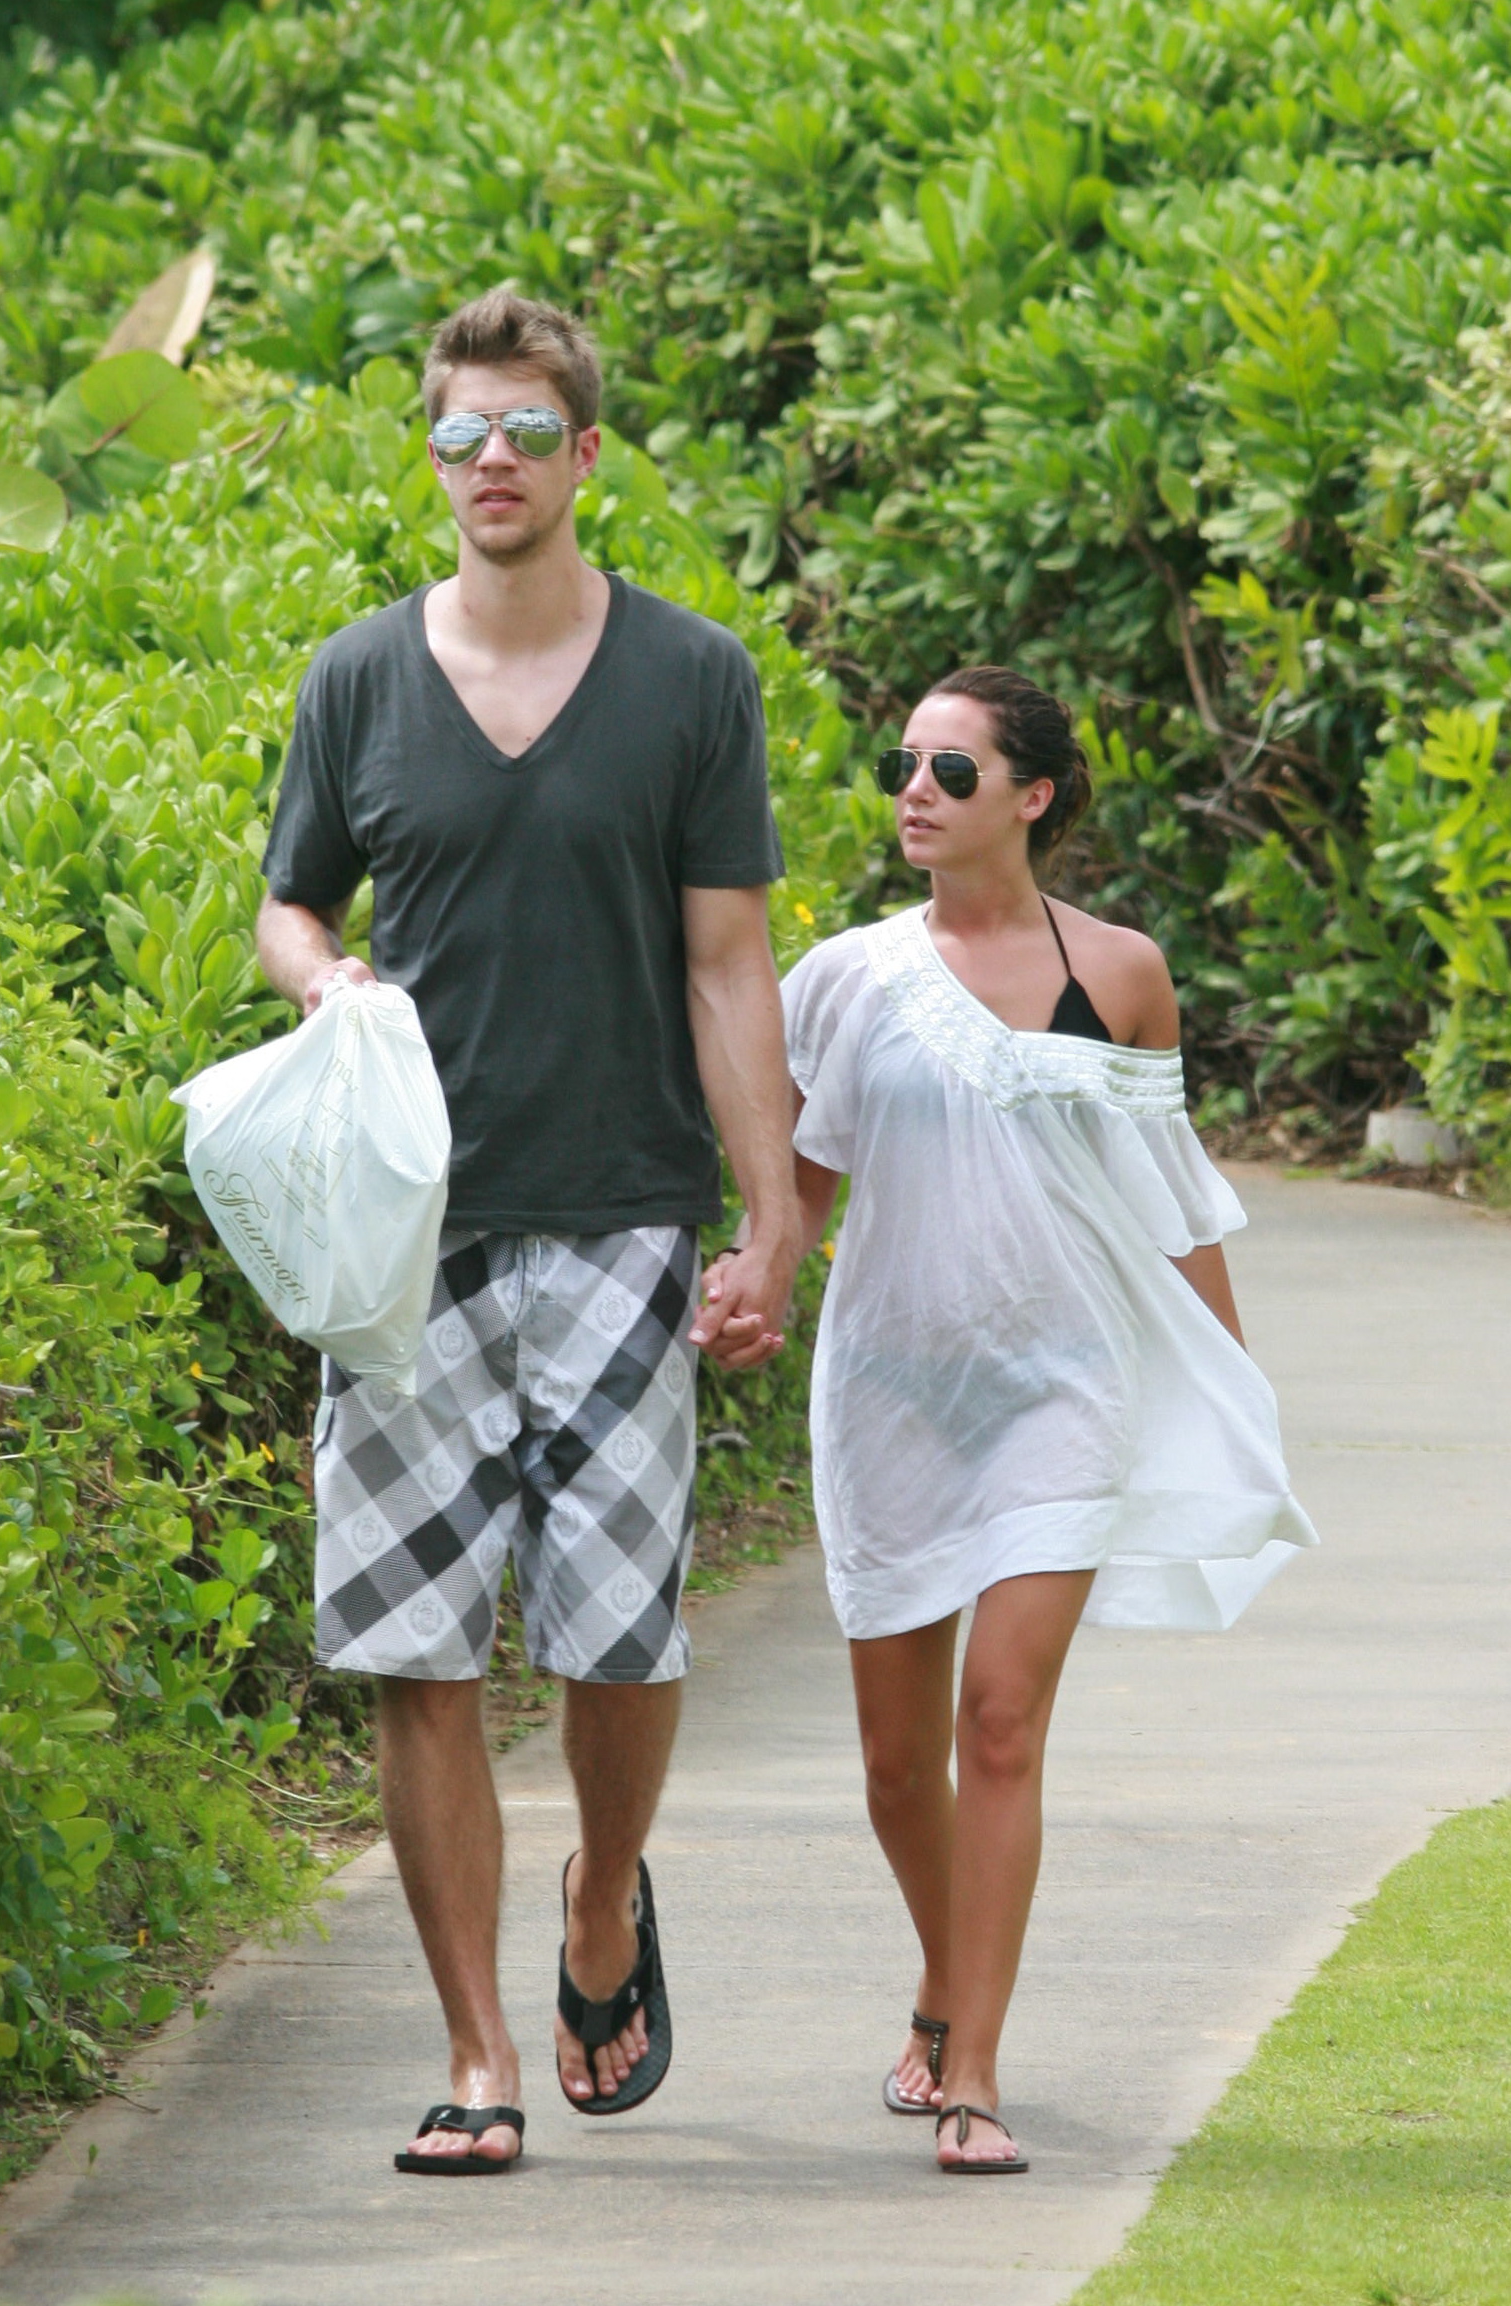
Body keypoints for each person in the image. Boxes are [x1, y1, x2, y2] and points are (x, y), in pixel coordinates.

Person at [255, 288, 800, 2174]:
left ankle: (601, 1894)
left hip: (623, 1220)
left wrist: (770, 1218)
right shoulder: (356, 678)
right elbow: (292, 904)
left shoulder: (690, 677)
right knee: (418, 1651)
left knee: (616, 1643)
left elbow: (728, 965)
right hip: (404, 1242)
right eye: (460, 433)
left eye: (526, 432)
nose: (491, 461)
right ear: (431, 456)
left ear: (586, 454)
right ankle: (477, 2055)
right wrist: (319, 978)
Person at [748, 664, 1314, 2172]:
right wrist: (750, 1283)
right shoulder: (848, 978)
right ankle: (944, 1984)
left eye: (951, 770)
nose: (913, 792)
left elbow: (1171, 1198)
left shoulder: (1120, 973)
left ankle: (977, 2073)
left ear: (1033, 795)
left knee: (998, 1720)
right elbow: (796, 1188)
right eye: (903, 765)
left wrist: (1227, 1393)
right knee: (894, 1765)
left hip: (1063, 1390)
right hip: (890, 1394)